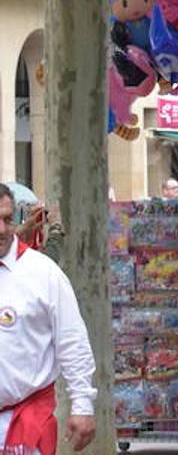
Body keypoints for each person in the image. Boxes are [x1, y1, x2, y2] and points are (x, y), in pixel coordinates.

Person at [0, 183, 96, 453]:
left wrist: (83, 405)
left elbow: (72, 341)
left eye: (7, 219)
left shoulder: (43, 272)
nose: (2, 229)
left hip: (25, 422)